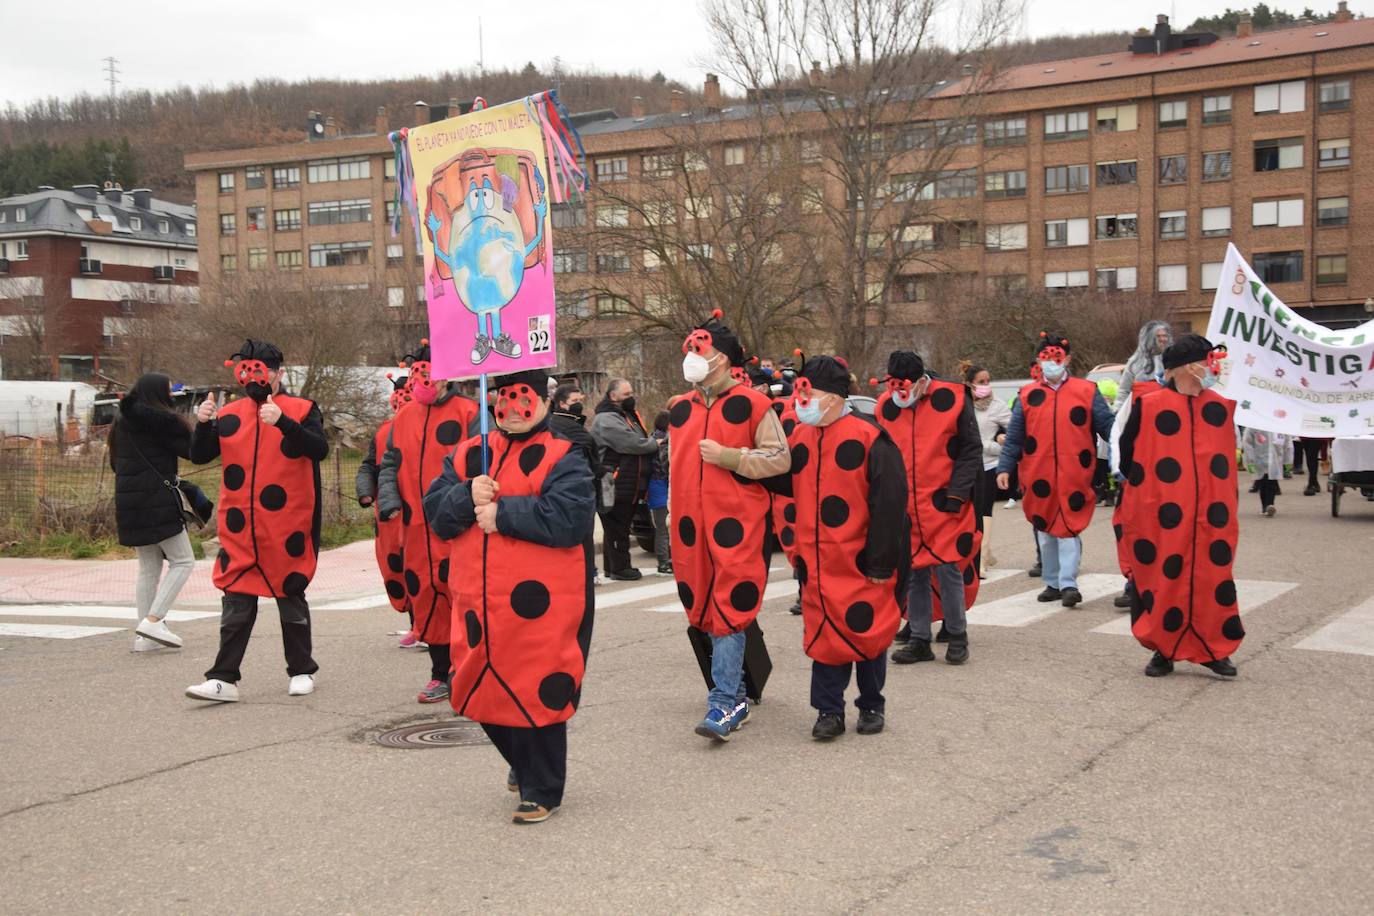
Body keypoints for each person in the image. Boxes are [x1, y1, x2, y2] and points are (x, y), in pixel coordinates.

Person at [424, 368, 595, 824]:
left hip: (541, 607)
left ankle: (543, 789)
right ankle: (521, 764)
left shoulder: (565, 453)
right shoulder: (467, 454)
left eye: (523, 399)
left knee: (538, 690)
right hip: (477, 602)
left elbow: (572, 518)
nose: (512, 410)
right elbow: (436, 514)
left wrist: (505, 513)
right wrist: (465, 493)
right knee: (476, 688)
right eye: (503, 399)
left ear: (542, 401)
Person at [669, 312, 790, 741]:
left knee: (728, 612)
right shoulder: (679, 409)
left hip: (737, 524)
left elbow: (780, 458)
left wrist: (731, 457)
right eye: (690, 349)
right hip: (689, 529)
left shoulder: (755, 405)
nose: (692, 357)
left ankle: (726, 701)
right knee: (702, 609)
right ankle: (737, 685)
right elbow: (675, 467)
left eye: (700, 350)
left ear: (722, 359)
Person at [185, 340, 327, 703]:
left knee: (289, 594)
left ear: (278, 373)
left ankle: (301, 670)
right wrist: (202, 426)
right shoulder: (230, 413)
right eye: (245, 370)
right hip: (240, 524)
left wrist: (285, 423)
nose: (253, 377)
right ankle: (223, 678)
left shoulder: (303, 408)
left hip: (287, 523)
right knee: (236, 598)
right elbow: (200, 456)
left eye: (261, 370)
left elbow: (318, 449)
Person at [779, 356, 908, 739]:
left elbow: (890, 503)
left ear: (834, 398)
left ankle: (871, 704)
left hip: (861, 559)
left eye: (809, 393)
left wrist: (881, 561)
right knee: (824, 638)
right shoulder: (800, 437)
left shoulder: (870, 437)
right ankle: (828, 711)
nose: (801, 401)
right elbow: (781, 483)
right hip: (817, 564)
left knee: (867, 633)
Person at [1117, 334, 1242, 678]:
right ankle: (1162, 649)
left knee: (1210, 578)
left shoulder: (1219, 407)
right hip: (1163, 515)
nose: (1212, 368)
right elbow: (1128, 458)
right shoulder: (1149, 404)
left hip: (1211, 518)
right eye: (1208, 361)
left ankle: (1210, 648)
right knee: (1161, 577)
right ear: (1189, 366)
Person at [377, 342, 479, 703]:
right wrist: (389, 501)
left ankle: (465, 671)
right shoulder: (403, 416)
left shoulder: (469, 411)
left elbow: (482, 463)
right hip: (415, 528)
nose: (426, 381)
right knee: (427, 599)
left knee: (461, 597)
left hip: (457, 525)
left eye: (432, 374)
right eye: (419, 373)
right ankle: (440, 674)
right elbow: (389, 463)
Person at [875, 351, 982, 666]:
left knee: (947, 568)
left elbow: (970, 448)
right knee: (914, 573)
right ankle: (920, 638)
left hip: (945, 503)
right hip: (905, 506)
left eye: (905, 387)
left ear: (922, 381)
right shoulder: (885, 406)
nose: (900, 394)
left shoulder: (953, 398)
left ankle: (957, 634)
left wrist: (958, 493)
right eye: (894, 387)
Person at [996, 333, 1114, 608]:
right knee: (1045, 530)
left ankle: (1069, 583)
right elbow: (1014, 437)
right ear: (1038, 361)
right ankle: (1052, 582)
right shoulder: (1027, 395)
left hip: (1074, 473)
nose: (1051, 363)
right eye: (1046, 358)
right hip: (1037, 475)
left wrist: (1126, 453)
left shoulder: (1086, 391)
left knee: (1068, 528)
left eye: (1057, 358)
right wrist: (1005, 467)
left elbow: (1107, 427)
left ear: (1068, 359)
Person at [108, 373, 196, 652]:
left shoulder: (120, 422)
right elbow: (193, 451)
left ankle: (144, 638)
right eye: (168, 392)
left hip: (128, 503)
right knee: (183, 561)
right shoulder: (160, 423)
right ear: (158, 394)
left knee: (148, 567)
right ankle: (153, 621)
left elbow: (114, 464)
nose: (171, 397)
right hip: (157, 500)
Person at [357, 372, 414, 644]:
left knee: (421, 566)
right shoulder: (383, 432)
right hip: (388, 514)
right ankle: (418, 623)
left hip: (416, 508)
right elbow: (371, 464)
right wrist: (366, 491)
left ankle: (427, 626)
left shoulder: (425, 427)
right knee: (396, 567)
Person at [588, 378, 657, 580]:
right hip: (614, 483)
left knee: (618, 527)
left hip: (627, 483)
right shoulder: (607, 419)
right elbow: (633, 443)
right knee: (617, 527)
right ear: (613, 395)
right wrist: (654, 443)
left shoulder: (625, 415)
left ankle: (613, 567)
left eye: (631, 393)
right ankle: (621, 568)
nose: (631, 397)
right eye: (626, 394)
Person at [966, 362, 1012, 572]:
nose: (986, 386)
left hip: (989, 465)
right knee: (968, 512)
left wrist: (997, 444)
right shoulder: (962, 404)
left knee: (984, 510)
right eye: (980, 382)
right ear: (969, 384)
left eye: (987, 381)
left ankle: (981, 560)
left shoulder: (998, 406)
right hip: (967, 465)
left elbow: (1015, 433)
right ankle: (985, 551)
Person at [1113, 320, 1174, 411]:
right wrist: (1118, 410)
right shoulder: (1135, 362)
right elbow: (1124, 390)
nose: (1162, 339)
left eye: (1164, 336)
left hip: (1169, 410)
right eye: (1158, 336)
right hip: (1143, 411)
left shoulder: (1174, 358)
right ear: (1149, 338)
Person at [1243, 425, 1289, 517]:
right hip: (1259, 458)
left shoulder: (1278, 423)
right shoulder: (1253, 425)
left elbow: (1287, 442)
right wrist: (1250, 459)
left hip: (1275, 458)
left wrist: (1287, 460)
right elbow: (1247, 442)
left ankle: (1270, 504)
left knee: (1271, 481)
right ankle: (1265, 505)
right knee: (1263, 481)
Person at [647, 411, 672, 576]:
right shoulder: (666, 441)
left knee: (662, 527)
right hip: (662, 485)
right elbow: (666, 465)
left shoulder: (650, 439)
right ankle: (664, 563)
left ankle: (665, 561)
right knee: (664, 528)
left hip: (654, 486)